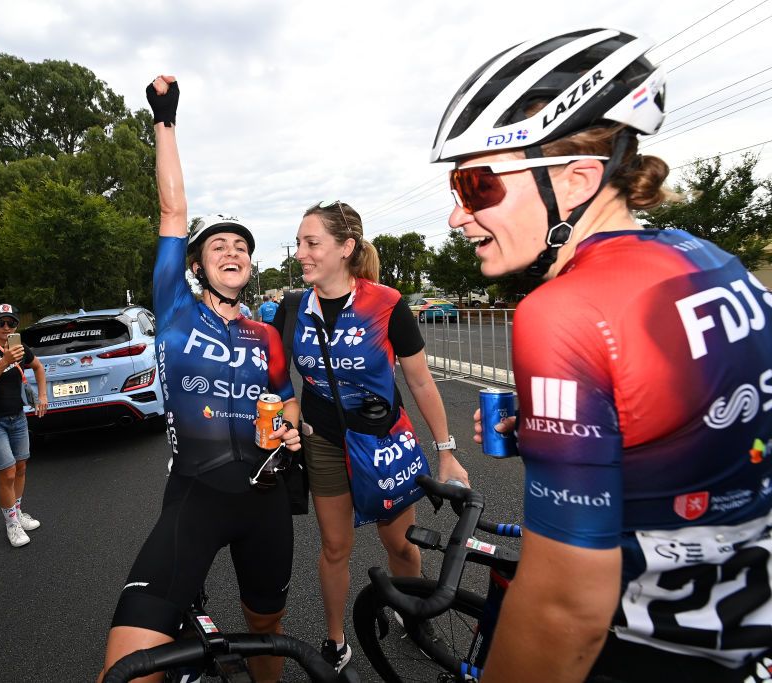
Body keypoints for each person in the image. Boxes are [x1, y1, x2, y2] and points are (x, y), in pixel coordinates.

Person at [433, 28, 772, 683]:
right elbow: (705, 429)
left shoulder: (564, 309)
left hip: (648, 646)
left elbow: (565, 607)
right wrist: (552, 435)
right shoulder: (714, 263)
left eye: (475, 186)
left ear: (578, 178)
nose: (456, 216)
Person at [97, 75, 302, 683]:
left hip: (265, 502)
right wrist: (165, 121)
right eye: (219, 244)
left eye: (242, 244)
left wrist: (290, 432)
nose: (233, 250)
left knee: (267, 631)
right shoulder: (176, 309)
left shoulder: (267, 335)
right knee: (131, 668)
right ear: (196, 264)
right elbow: (172, 210)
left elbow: (286, 405)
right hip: (196, 496)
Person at [272, 199, 468, 669]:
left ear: (346, 248)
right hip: (323, 443)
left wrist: (446, 452)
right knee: (335, 547)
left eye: (311, 242)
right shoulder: (294, 307)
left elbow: (420, 381)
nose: (299, 252)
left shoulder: (388, 303)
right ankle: (336, 641)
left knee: (399, 544)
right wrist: (285, 415)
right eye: (299, 242)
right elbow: (274, 376)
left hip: (383, 442)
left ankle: (411, 617)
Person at [0, 304, 48, 548]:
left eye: (11, 323)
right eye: (0, 322)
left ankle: (18, 512)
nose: (6, 327)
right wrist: (4, 362)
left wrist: (42, 396)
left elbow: (39, 367)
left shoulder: (20, 349)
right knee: (7, 471)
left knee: (21, 467)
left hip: (16, 417)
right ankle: (11, 524)